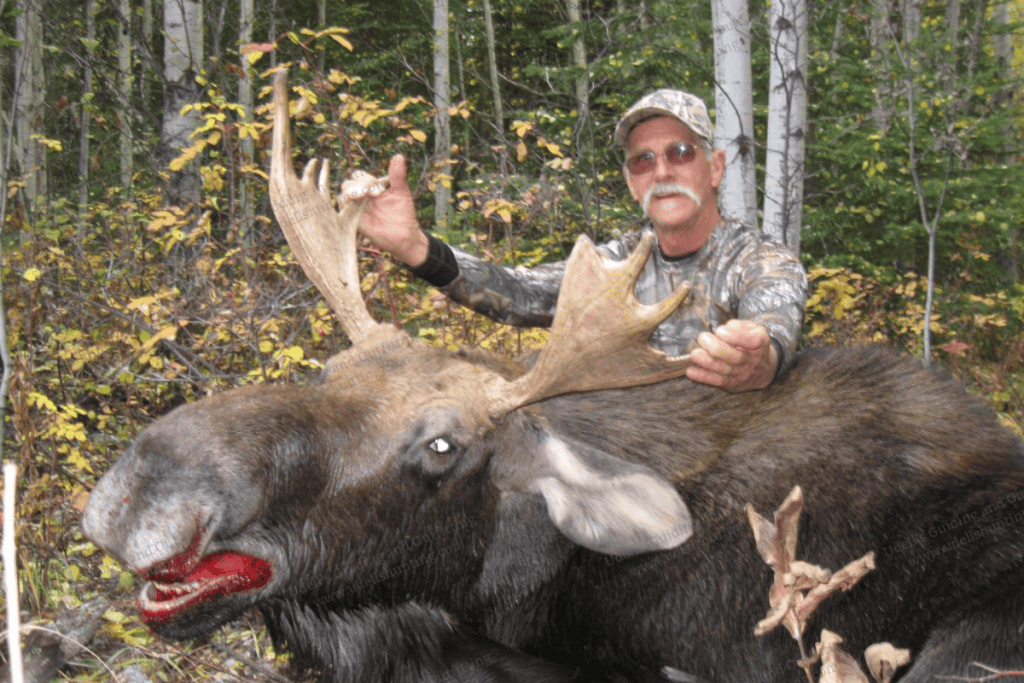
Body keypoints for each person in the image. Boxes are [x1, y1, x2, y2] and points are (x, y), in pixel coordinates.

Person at [341, 90, 808, 392]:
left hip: (732, 461)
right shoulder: (615, 264)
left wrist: (762, 357)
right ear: (631, 182)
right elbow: (519, 293)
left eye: (681, 152)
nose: (663, 171)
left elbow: (773, 323)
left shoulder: (760, 259)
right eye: (643, 161)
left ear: (716, 168)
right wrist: (415, 249)